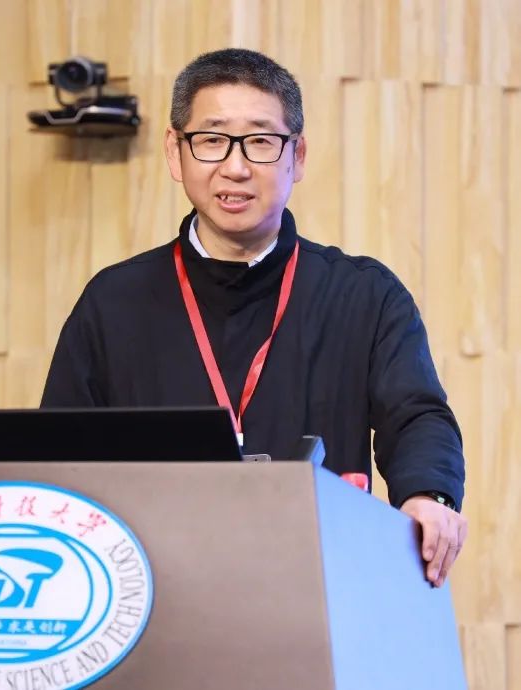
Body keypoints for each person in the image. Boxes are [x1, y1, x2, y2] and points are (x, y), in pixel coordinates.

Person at [41, 48, 467, 587]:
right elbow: (60, 449)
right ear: (175, 152)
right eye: (212, 140)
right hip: (155, 586)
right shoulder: (114, 301)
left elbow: (417, 415)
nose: (236, 167)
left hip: (320, 581)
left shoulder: (364, 294)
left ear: (298, 156)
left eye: (261, 141)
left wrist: (428, 495)